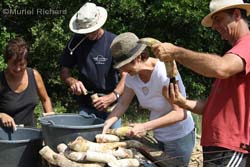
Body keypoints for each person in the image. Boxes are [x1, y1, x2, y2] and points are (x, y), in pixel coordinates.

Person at [152, 0, 250, 166]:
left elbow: (221, 68)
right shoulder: (235, 55)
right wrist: (182, 102)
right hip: (219, 146)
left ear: (237, 15)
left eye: (218, 19)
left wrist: (176, 52)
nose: (214, 26)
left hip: (230, 146)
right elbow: (212, 108)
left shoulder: (246, 46)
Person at [102, 32, 195, 166]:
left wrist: (144, 126)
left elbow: (180, 113)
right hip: (159, 135)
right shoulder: (131, 77)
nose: (122, 69)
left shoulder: (164, 74)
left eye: (124, 64)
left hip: (179, 137)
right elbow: (122, 104)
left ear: (139, 57)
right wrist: (106, 125)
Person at [60, 2, 126, 128]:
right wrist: (72, 81)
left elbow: (126, 75)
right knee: (86, 143)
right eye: (85, 32)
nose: (88, 35)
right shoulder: (75, 42)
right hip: (86, 107)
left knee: (111, 142)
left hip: (111, 106)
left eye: (91, 31)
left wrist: (113, 96)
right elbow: (64, 71)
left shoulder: (113, 42)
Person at [0, 37, 54, 129]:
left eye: (22, 64)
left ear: (27, 62)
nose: (17, 69)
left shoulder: (34, 75)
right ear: (7, 61)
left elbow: (45, 99)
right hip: (4, 137)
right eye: (13, 64)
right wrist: (1, 115)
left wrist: (50, 119)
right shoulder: (1, 80)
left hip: (30, 134)